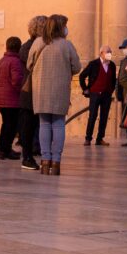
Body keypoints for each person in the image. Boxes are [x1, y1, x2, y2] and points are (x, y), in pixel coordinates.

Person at [30, 14, 81, 175]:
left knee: (44, 124)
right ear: (61, 27)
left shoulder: (38, 42)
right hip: (60, 89)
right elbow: (77, 67)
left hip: (41, 89)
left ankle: (45, 162)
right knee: (58, 124)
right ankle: (56, 162)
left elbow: (29, 63)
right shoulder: (66, 45)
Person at [18, 15, 47, 169]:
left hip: (34, 92)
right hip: (30, 93)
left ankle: (31, 154)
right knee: (28, 126)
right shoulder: (31, 46)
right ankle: (27, 157)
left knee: (33, 125)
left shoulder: (30, 45)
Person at [0, 37, 25, 162]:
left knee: (6, 125)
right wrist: (21, 91)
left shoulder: (1, 61)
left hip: (1, 99)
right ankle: (5, 150)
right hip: (12, 100)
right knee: (11, 126)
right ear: (19, 47)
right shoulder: (16, 62)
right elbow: (17, 80)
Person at [79, 45, 117, 146]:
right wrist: (86, 89)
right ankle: (88, 138)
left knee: (104, 117)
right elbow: (82, 76)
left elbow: (114, 80)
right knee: (92, 116)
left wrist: (111, 90)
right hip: (95, 94)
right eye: (107, 52)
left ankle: (100, 138)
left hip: (107, 95)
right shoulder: (94, 64)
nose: (109, 54)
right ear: (101, 53)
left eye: (110, 52)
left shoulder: (112, 65)